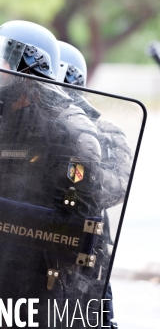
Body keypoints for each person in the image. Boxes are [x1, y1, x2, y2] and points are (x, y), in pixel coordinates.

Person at [0, 21, 125, 327]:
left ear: (29, 68)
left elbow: (96, 200)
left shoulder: (69, 126)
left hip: (45, 283)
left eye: (1, 64)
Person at [57, 41, 128, 329]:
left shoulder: (103, 132)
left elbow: (114, 188)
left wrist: (82, 164)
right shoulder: (19, 125)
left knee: (94, 315)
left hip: (82, 250)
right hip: (21, 244)